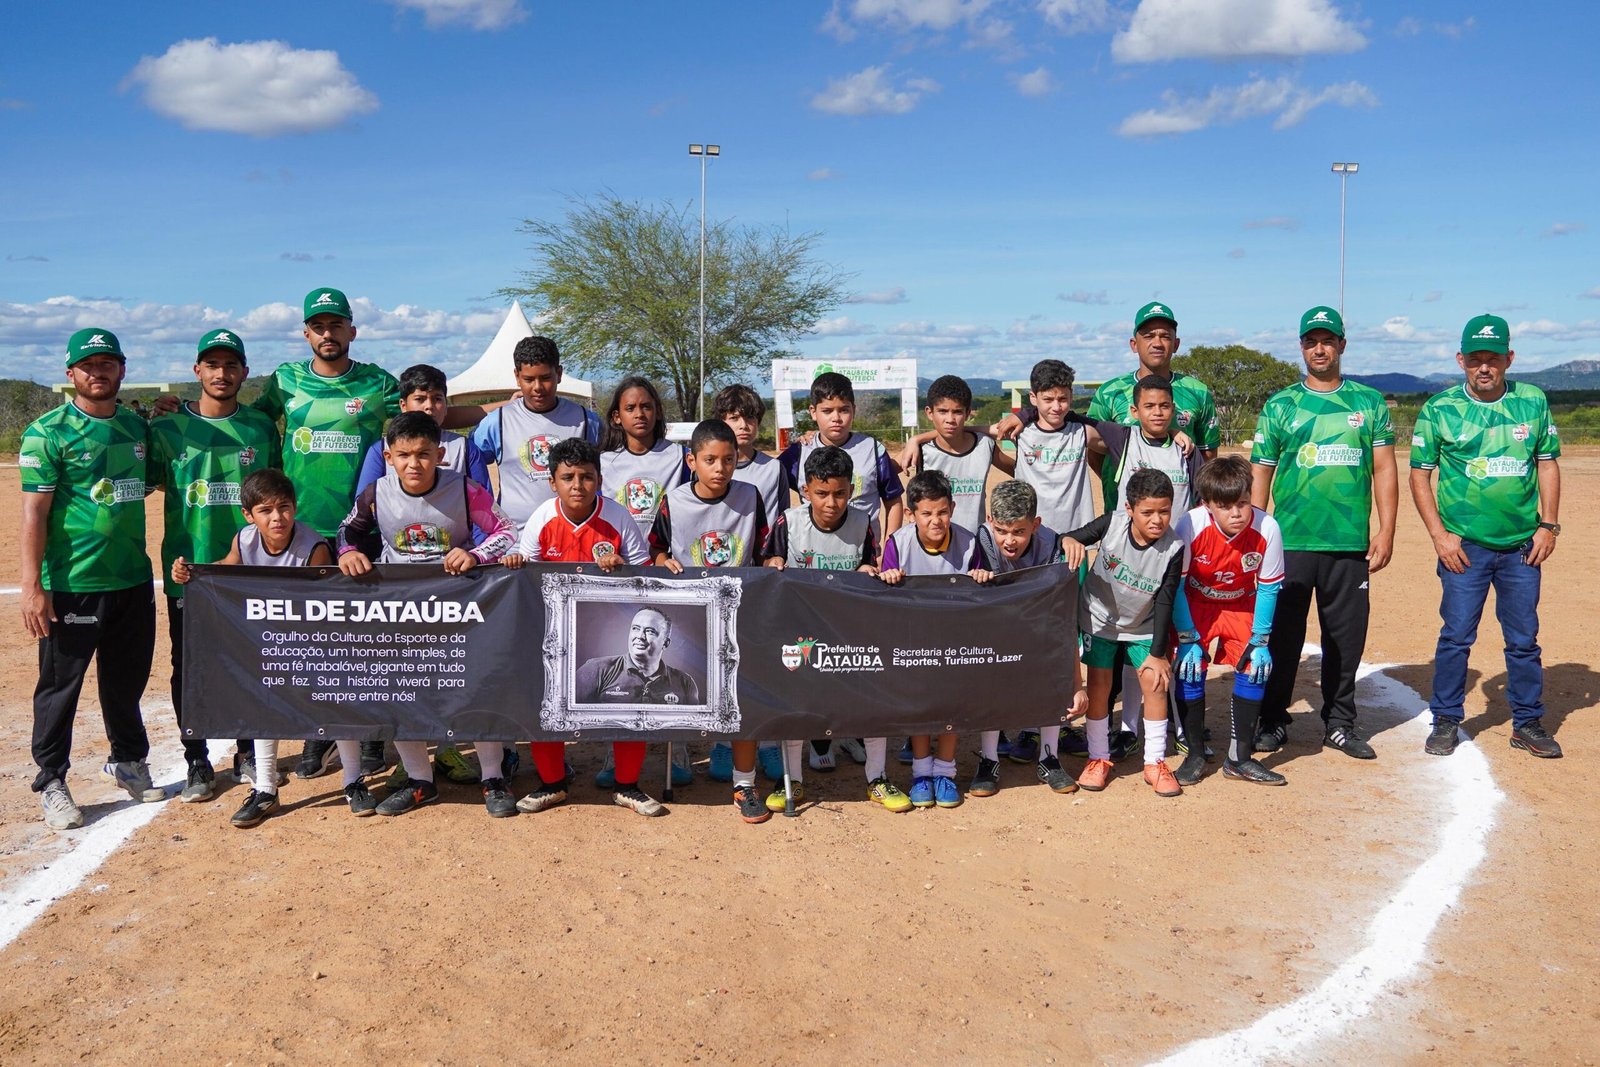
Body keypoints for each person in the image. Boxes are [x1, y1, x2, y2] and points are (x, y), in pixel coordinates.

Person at [251, 287, 403, 782]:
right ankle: (318, 734)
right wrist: (178, 410)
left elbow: (424, 416)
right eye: (318, 326)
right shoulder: (284, 381)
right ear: (306, 334)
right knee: (315, 637)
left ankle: (375, 737)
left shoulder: (379, 383)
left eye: (336, 325)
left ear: (351, 331)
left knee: (370, 636)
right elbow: (244, 418)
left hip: (364, 528)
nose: (327, 334)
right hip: (302, 532)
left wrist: (492, 410)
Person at [336, 413, 518, 817]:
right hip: (402, 609)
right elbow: (346, 532)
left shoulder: (466, 490)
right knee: (405, 690)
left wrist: (474, 553)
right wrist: (349, 554)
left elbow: (507, 532)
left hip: (460, 608)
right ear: (388, 456)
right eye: (403, 455)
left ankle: (493, 777)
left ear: (440, 454)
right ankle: (421, 781)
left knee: (475, 688)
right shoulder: (374, 493)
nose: (413, 464)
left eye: (423, 454)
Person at [21, 328, 163, 829]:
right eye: (88, 365)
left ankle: (127, 759)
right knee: (61, 685)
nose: (97, 372)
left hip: (131, 579)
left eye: (107, 363)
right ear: (71, 374)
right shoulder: (49, 431)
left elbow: (145, 484)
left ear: (122, 370)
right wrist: (32, 588)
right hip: (72, 583)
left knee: (125, 682)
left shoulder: (135, 427)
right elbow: (34, 514)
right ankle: (51, 779)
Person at [1410, 314, 1564, 759]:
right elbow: (1420, 475)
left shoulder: (1532, 401)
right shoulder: (1440, 409)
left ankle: (1528, 722)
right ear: (1461, 360)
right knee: (1457, 635)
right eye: (1475, 358)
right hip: (1465, 548)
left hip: (1521, 547)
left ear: (1509, 359)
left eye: (1493, 358)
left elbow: (1547, 462)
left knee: (1523, 638)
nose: (1484, 367)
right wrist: (1440, 535)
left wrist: (1548, 525)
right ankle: (1445, 719)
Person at [1250, 306, 1398, 760]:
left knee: (1345, 639)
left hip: (1348, 543)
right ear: (1301, 347)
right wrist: (1255, 535)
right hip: (1288, 542)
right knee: (1281, 639)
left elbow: (1384, 468)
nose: (1320, 348)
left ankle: (1339, 723)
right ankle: (1272, 719)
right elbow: (1261, 473)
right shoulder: (1281, 406)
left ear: (1342, 345)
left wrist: (1386, 529)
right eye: (1312, 341)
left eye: (1328, 340)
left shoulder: (1368, 403)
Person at [147, 329, 280, 803]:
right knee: (191, 666)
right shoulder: (164, 429)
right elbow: (144, 482)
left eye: (231, 365)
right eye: (212, 365)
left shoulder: (261, 428)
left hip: (250, 570)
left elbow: (274, 494)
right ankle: (196, 758)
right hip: (192, 572)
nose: (222, 374)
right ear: (196, 370)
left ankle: (247, 751)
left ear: (244, 372)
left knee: (250, 661)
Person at [503, 438, 664, 814]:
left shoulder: (618, 516)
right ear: (552, 482)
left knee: (628, 701)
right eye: (568, 477)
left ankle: (628, 786)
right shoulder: (542, 516)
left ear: (600, 479)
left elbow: (644, 575)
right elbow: (526, 573)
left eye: (587, 477)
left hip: (608, 627)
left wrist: (623, 565)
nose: (578, 486)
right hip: (553, 632)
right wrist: (516, 563)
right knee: (544, 700)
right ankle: (552, 783)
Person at [355, 363, 494, 786]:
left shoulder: (462, 449)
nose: (430, 405)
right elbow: (366, 514)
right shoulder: (382, 453)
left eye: (437, 398)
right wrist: (352, 554)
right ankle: (410, 763)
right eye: (420, 398)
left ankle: (456, 752)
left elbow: (482, 511)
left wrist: (472, 553)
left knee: (456, 670)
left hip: (454, 581)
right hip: (401, 586)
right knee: (405, 673)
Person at [171, 469, 334, 827]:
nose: (277, 518)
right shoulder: (245, 540)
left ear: (295, 507)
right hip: (272, 640)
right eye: (266, 510)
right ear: (249, 514)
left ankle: (350, 775)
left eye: (285, 508)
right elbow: (225, 571)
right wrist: (191, 572)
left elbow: (320, 605)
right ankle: (265, 788)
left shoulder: (315, 547)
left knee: (332, 699)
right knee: (263, 696)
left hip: (312, 642)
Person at [651, 419, 772, 822]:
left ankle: (744, 783)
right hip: (689, 615)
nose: (720, 468)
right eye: (709, 460)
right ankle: (681, 752)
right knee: (682, 686)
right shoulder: (674, 501)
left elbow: (768, 547)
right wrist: (660, 561)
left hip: (740, 615)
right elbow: (654, 549)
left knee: (743, 700)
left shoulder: (751, 496)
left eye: (728, 459)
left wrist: (772, 560)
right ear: (692, 461)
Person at [763, 445, 893, 812]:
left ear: (851, 490)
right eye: (821, 494)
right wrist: (772, 564)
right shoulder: (788, 523)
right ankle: (792, 780)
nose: (831, 502)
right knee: (795, 703)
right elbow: (767, 568)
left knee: (872, 698)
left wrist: (869, 570)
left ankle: (878, 777)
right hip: (798, 631)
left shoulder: (863, 522)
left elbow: (870, 565)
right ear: (805, 491)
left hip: (847, 631)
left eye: (839, 493)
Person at [1060, 468, 1186, 796]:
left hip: (1143, 624)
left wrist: (1158, 654)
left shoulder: (1173, 547)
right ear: (1129, 509)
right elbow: (1075, 536)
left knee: (1155, 682)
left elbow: (1165, 601)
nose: (1157, 520)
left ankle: (1154, 762)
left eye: (1164, 511)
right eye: (1147, 512)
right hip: (1099, 619)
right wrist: (1070, 540)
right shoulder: (1112, 523)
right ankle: (1099, 758)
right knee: (1100, 686)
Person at [1170, 456, 1287, 787]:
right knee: (1189, 668)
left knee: (1255, 667)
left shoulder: (1267, 527)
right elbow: (1177, 586)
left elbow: (1267, 589)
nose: (1236, 513)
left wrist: (1261, 640)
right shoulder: (1190, 525)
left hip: (1240, 604)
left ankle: (1239, 758)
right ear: (1207, 505)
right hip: (1195, 603)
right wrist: (1188, 637)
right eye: (1225, 506)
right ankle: (1194, 753)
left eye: (1242, 504)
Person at [878, 470, 990, 810]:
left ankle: (945, 771)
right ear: (912, 514)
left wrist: (982, 577)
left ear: (953, 508)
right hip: (914, 640)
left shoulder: (970, 543)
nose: (936, 520)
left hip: (956, 640)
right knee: (921, 706)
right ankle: (921, 772)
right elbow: (882, 591)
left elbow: (984, 593)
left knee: (951, 706)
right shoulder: (897, 543)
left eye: (942, 512)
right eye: (926, 513)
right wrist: (889, 576)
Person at [968, 480, 1087, 798]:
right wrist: (975, 574)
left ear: (1035, 525)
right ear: (991, 522)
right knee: (988, 683)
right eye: (1002, 530)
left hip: (1037, 627)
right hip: (995, 628)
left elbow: (1063, 617)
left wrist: (1076, 683)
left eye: (1019, 531)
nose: (1009, 540)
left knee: (1049, 674)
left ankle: (1049, 758)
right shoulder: (980, 540)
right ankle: (989, 760)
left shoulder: (1052, 546)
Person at [711, 383, 797, 783]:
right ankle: (722, 743)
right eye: (733, 417)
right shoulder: (706, 463)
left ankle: (767, 744)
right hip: (715, 579)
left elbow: (779, 523)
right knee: (720, 663)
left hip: (759, 580)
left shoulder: (772, 468)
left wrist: (771, 563)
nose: (742, 426)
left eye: (750, 418)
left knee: (761, 664)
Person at [470, 334, 602, 531]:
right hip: (516, 543)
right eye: (529, 379)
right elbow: (469, 465)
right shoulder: (496, 422)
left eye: (546, 378)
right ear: (517, 376)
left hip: (573, 536)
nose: (538, 387)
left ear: (559, 373)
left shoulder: (586, 421)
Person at [778, 371, 903, 545]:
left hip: (864, 556)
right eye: (827, 411)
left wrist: (890, 549)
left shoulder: (872, 450)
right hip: (812, 555)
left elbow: (894, 502)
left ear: (854, 410)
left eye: (844, 410)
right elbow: (768, 484)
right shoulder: (798, 452)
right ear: (813, 412)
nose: (836, 418)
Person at [1086, 301, 1219, 462]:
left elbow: (1208, 456)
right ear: (1134, 345)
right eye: (1148, 336)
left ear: (1176, 345)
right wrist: (1116, 484)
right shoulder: (1109, 392)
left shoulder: (1199, 392)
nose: (1157, 343)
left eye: (1165, 336)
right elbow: (1094, 453)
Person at [600, 376, 689, 538]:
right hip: (620, 558)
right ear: (616, 416)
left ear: (658, 412)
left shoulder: (682, 457)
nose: (639, 414)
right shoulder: (603, 462)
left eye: (646, 407)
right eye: (630, 408)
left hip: (666, 559)